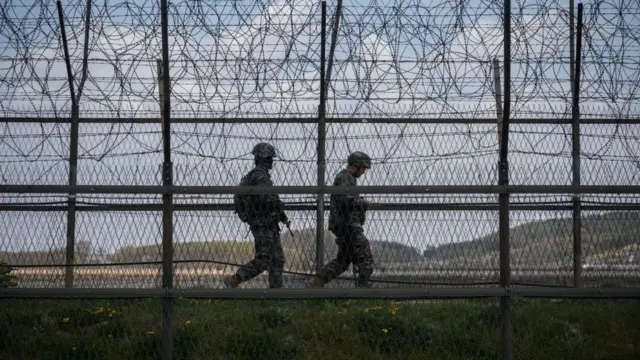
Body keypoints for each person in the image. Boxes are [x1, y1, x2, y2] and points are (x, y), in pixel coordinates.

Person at [224, 142, 290, 289]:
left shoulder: (260, 176)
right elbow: (266, 198)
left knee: (277, 259)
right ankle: (236, 278)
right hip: (263, 224)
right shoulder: (259, 176)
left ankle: (276, 292)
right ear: (263, 158)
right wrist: (279, 204)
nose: (272, 161)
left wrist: (281, 214)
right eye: (270, 158)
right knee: (264, 259)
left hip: (269, 223)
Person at [306, 151, 374, 288]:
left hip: (346, 225)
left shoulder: (348, 179)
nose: (363, 172)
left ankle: (315, 284)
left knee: (343, 261)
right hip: (348, 226)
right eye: (363, 168)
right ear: (356, 165)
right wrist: (362, 203)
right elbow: (345, 200)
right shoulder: (345, 178)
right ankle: (363, 290)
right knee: (366, 257)